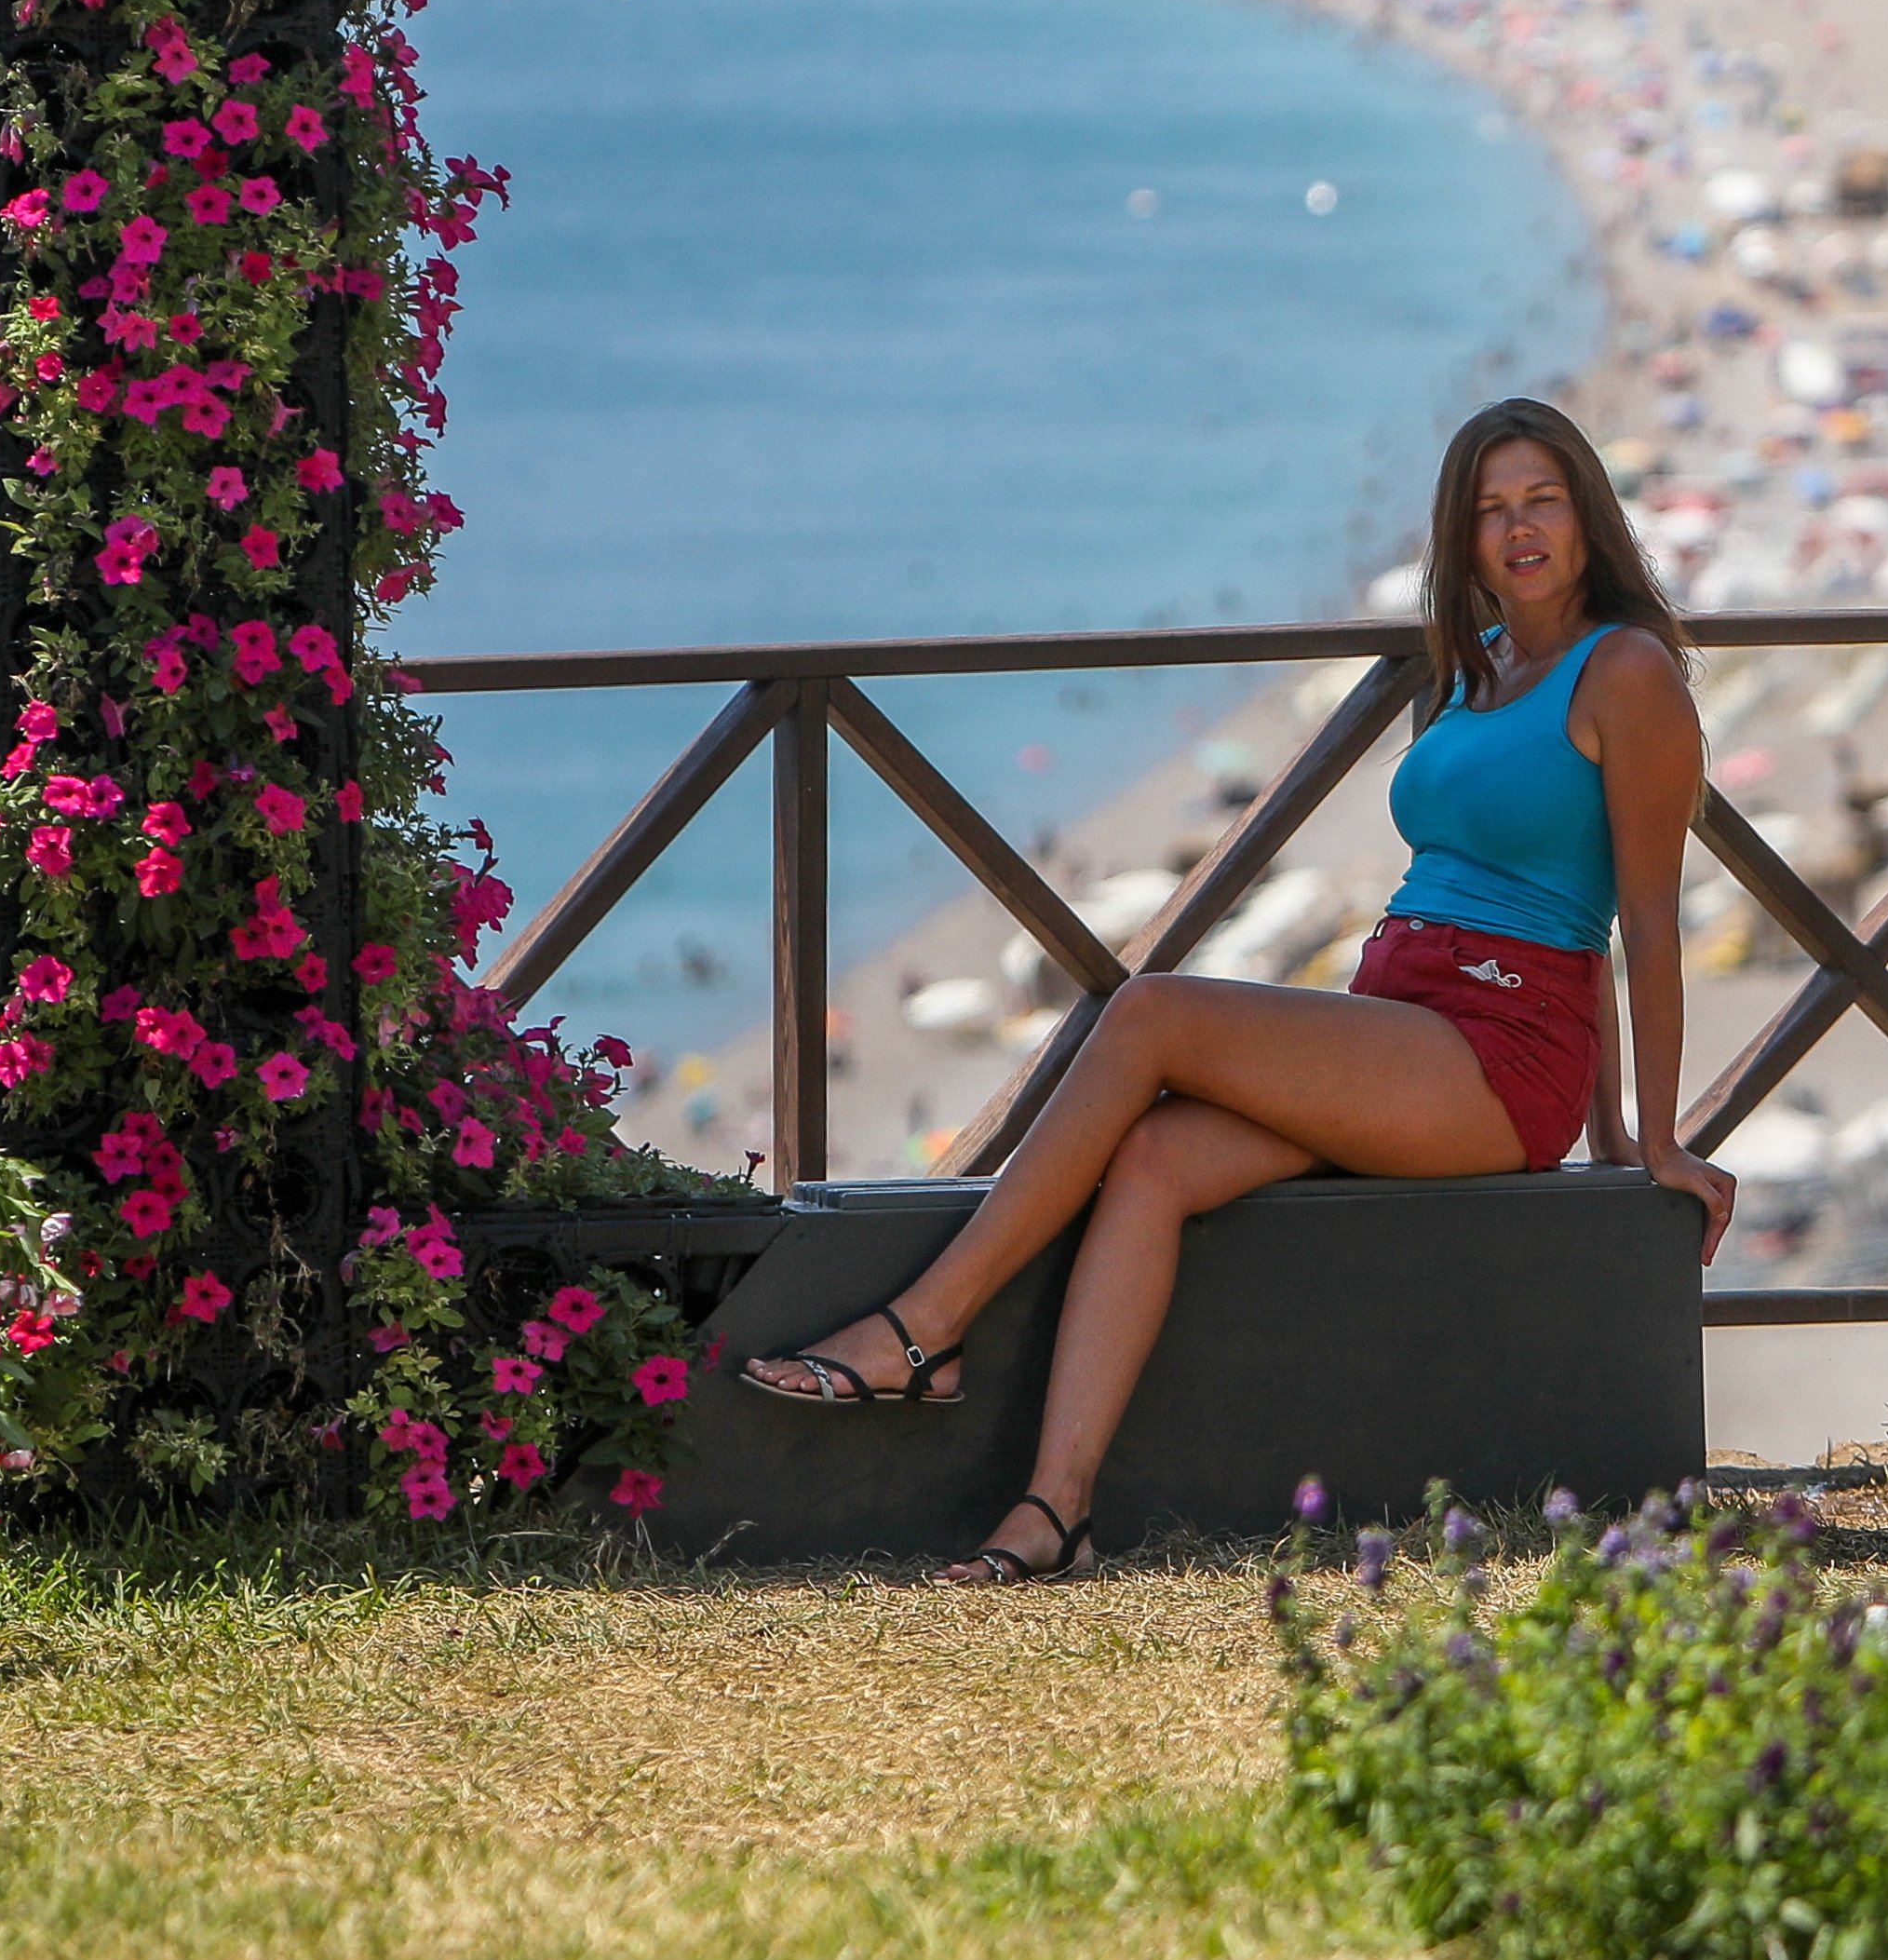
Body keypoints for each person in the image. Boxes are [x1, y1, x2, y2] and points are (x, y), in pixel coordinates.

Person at [735, 396, 1739, 1582]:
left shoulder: (1626, 671)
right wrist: (1611, 1126)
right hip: (1400, 1025)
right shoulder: (1484, 664)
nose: (1519, 529)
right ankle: (1054, 1511)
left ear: (1587, 516)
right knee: (1155, 1159)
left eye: (1542, 501)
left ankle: (928, 1325)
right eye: (1489, 510)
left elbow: (1638, 920)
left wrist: (1649, 1139)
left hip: (1494, 1053)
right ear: (1461, 538)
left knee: (1152, 1012)